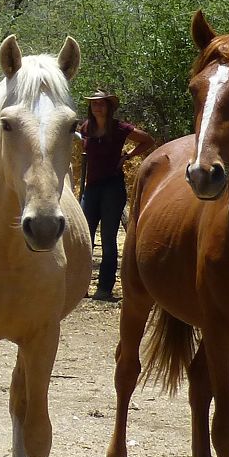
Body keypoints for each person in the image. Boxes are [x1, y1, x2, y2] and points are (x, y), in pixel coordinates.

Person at [79, 90, 155, 300]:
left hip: (112, 187)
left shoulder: (119, 128)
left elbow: (147, 140)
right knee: (85, 237)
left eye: (101, 104)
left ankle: (104, 288)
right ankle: (81, 287)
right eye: (94, 104)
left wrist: (127, 157)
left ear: (109, 107)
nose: (97, 107)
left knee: (109, 239)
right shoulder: (86, 128)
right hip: (92, 188)